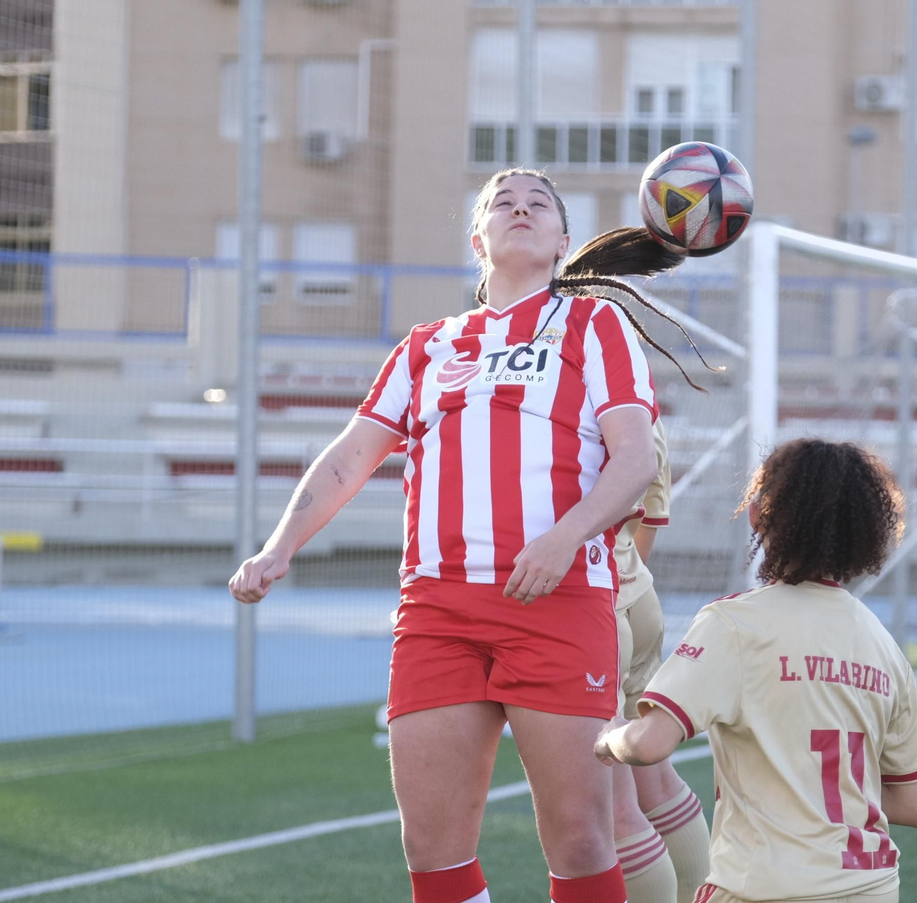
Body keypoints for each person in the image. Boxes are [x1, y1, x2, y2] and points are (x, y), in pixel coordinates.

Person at [230, 168, 712, 903]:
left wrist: (563, 538)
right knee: (431, 845)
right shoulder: (428, 345)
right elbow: (351, 454)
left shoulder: (593, 325)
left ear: (561, 242)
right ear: (477, 238)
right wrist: (278, 546)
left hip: (559, 599)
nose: (520, 210)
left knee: (582, 838)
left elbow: (635, 458)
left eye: (539, 204)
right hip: (438, 612)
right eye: (501, 204)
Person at [595, 438, 917, 903]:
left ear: (759, 515)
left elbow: (650, 743)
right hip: (870, 888)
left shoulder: (734, 625)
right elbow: (916, 805)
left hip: (763, 889)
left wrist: (609, 733)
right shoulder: (884, 647)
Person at [607, 419, 713, 903]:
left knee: (613, 806)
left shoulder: (552, 390)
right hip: (636, 593)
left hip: (588, 609)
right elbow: (646, 529)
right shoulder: (643, 411)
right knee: (655, 780)